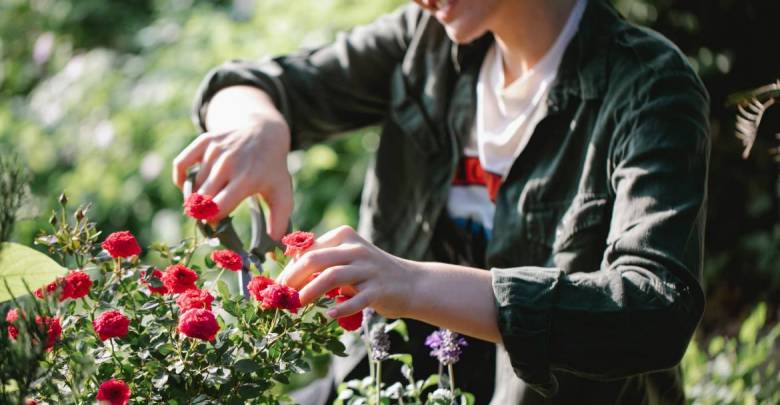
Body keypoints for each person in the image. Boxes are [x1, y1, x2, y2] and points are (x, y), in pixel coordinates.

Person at [173, 0, 710, 403]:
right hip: (381, 385)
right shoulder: (424, 40)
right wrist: (257, 126)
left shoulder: (647, 85)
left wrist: (410, 284)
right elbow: (252, 84)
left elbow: (653, 309)